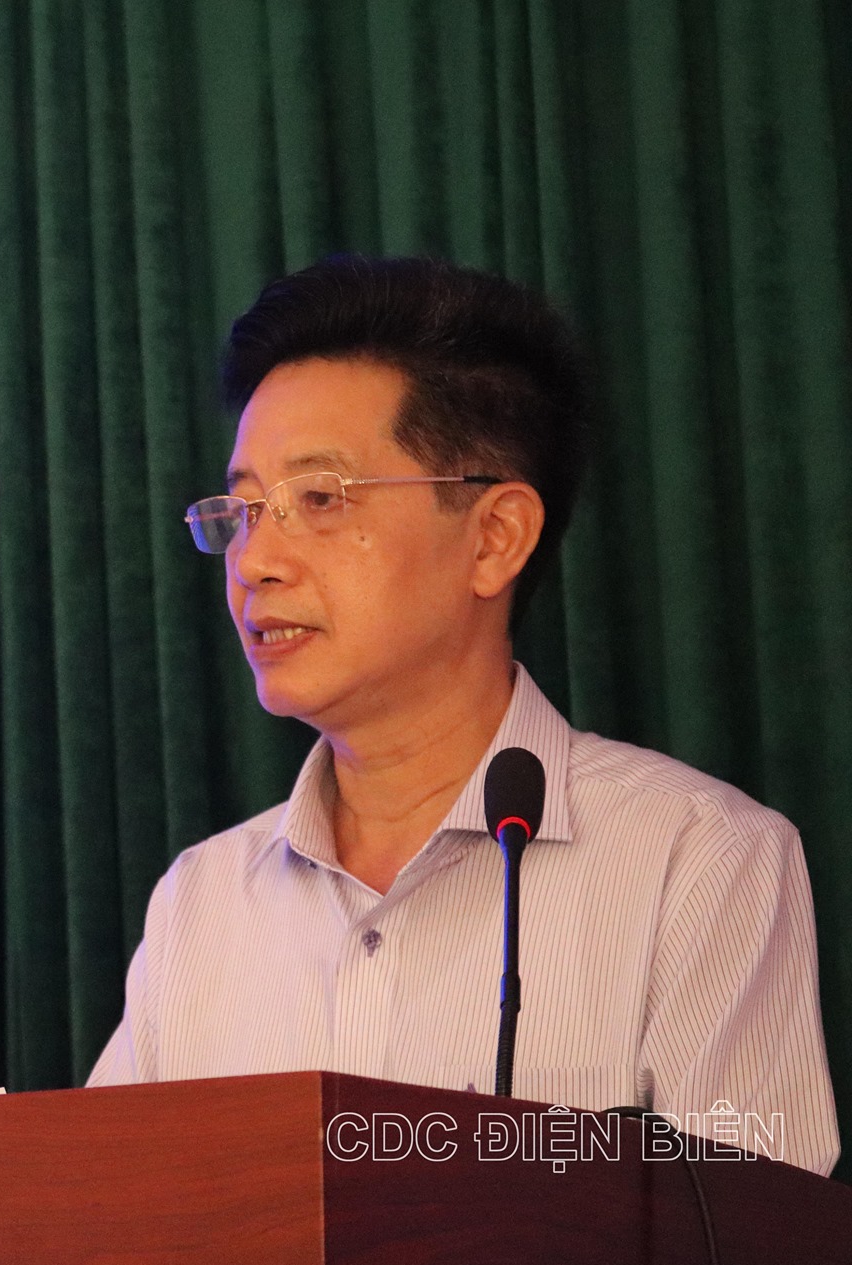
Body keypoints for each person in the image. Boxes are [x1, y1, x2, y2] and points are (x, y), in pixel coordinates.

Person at [85, 255, 840, 1176]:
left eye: (318, 499)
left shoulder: (696, 860)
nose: (254, 561)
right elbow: (99, 1224)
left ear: (494, 537)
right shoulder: (201, 903)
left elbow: (752, 1247)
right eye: (241, 512)